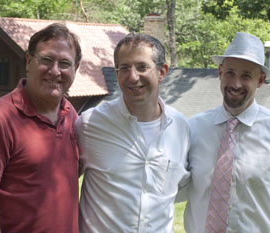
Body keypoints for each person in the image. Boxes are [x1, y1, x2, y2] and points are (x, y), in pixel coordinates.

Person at [180, 32, 270, 233]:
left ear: (260, 79)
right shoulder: (191, 129)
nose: (236, 84)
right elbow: (168, 189)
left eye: (246, 75)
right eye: (230, 73)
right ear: (220, 72)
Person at [0, 23, 81, 233]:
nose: (55, 71)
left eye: (65, 63)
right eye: (46, 60)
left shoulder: (71, 115)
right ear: (29, 61)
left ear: (75, 69)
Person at [76, 33, 191, 232]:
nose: (132, 76)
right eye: (124, 68)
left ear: (162, 71)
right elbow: (60, 186)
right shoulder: (90, 124)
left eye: (142, 67)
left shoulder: (179, 127)